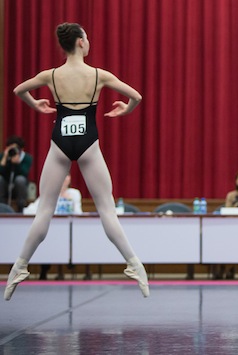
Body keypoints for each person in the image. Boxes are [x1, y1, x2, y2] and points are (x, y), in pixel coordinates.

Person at [4, 22, 149, 300]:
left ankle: (19, 266)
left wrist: (35, 104)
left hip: (59, 142)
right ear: (81, 42)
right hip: (89, 143)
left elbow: (19, 90)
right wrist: (124, 110)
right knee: (106, 208)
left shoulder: (51, 75)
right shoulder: (98, 75)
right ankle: (134, 264)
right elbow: (137, 97)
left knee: (44, 209)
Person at [0, 135, 33, 211]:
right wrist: (5, 159)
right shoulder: (3, 156)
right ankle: (2, 208)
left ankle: (21, 208)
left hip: (18, 187)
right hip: (5, 185)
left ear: (21, 149)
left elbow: (24, 173)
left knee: (20, 179)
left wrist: (17, 163)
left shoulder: (27, 158)